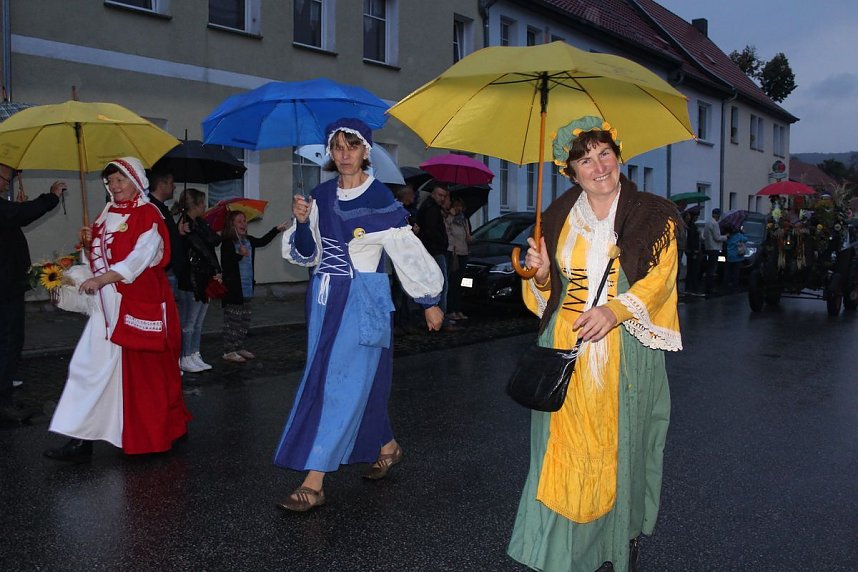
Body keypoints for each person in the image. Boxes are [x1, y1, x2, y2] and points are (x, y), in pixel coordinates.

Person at [507, 116, 682, 571]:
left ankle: (618, 541)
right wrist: (541, 274)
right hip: (566, 347)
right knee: (564, 451)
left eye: (605, 154)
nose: (599, 166)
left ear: (619, 156)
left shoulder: (653, 215)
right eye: (585, 160)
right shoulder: (558, 217)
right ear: (571, 172)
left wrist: (615, 310)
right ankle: (559, 550)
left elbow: (660, 281)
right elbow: (549, 294)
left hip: (625, 348)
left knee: (622, 446)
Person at [274, 118, 444, 512]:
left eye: (352, 147)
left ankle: (314, 481)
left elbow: (405, 251)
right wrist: (303, 222)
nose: (345, 155)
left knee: (340, 385)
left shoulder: (380, 198)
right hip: (324, 299)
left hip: (363, 300)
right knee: (342, 380)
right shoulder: (319, 195)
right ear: (330, 153)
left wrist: (429, 300)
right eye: (338, 147)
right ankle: (387, 446)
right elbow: (307, 254)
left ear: (365, 152)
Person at [44, 157, 190, 461]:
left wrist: (102, 279)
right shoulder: (106, 213)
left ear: (136, 181)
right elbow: (98, 258)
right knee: (88, 370)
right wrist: (88, 245)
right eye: (110, 181)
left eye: (121, 180)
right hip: (105, 308)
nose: (115, 186)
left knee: (144, 377)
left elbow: (139, 259)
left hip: (138, 304)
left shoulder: (148, 215)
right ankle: (80, 440)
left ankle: (150, 435)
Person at [0, 166, 64, 422]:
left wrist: (15, 210)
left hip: (7, 284)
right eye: (5, 179)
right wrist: (52, 196)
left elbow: (12, 217)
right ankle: (3, 402)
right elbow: (21, 215)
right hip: (5, 287)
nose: (7, 185)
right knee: (9, 340)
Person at [219, 210, 286, 363]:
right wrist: (239, 254)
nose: (243, 224)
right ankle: (229, 350)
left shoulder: (248, 241)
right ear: (231, 225)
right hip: (234, 291)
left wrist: (276, 230)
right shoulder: (228, 243)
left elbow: (262, 241)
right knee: (233, 321)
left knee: (244, 321)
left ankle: (238, 346)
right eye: (239, 221)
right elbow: (226, 265)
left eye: (244, 221)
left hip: (247, 288)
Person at [172, 188, 222, 373]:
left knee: (198, 321)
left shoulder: (200, 222)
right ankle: (185, 356)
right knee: (189, 321)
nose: (205, 207)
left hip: (203, 277)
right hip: (191, 279)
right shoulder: (185, 224)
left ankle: (194, 353)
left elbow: (214, 240)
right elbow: (201, 248)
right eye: (202, 203)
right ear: (195, 205)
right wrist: (216, 269)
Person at [416, 181, 451, 316]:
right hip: (434, 250)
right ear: (433, 194)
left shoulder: (430, 207)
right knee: (441, 285)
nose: (442, 198)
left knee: (434, 285)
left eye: (444, 196)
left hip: (431, 250)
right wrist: (442, 242)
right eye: (439, 195)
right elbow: (431, 231)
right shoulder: (431, 208)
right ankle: (440, 317)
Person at [445, 196, 471, 321]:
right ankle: (451, 310)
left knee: (459, 284)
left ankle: (458, 309)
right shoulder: (449, 219)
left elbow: (468, 236)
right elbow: (446, 231)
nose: (458, 208)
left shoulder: (464, 220)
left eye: (460, 206)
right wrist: (450, 215)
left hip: (464, 253)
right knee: (452, 283)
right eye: (456, 206)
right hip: (454, 253)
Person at [702, 207, 727, 297]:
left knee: (709, 269)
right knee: (712, 269)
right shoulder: (715, 224)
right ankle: (710, 288)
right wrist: (726, 236)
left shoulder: (707, 223)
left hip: (708, 248)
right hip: (714, 248)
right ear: (717, 215)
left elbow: (704, 235)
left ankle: (707, 287)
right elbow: (717, 238)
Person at [683, 206, 704, 297]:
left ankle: (688, 288)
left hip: (690, 251)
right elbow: (692, 240)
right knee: (694, 271)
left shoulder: (690, 226)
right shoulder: (692, 226)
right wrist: (695, 251)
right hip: (693, 252)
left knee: (690, 270)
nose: (697, 218)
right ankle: (694, 289)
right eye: (696, 216)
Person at [725, 224, 748, 293]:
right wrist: (744, 233)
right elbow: (746, 239)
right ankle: (735, 285)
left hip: (729, 256)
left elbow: (725, 242)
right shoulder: (739, 235)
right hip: (738, 257)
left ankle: (726, 284)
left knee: (728, 272)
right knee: (736, 272)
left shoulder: (728, 236)